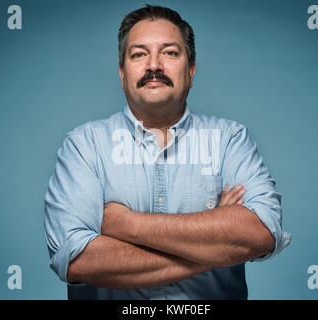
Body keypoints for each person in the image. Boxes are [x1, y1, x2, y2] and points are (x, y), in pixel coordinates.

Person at [44, 4, 291, 300]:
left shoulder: (229, 140)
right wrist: (216, 239)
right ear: (122, 73)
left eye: (170, 53)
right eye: (139, 54)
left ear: (191, 68)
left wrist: (126, 224)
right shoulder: (84, 145)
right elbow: (78, 260)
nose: (154, 66)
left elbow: (261, 233)